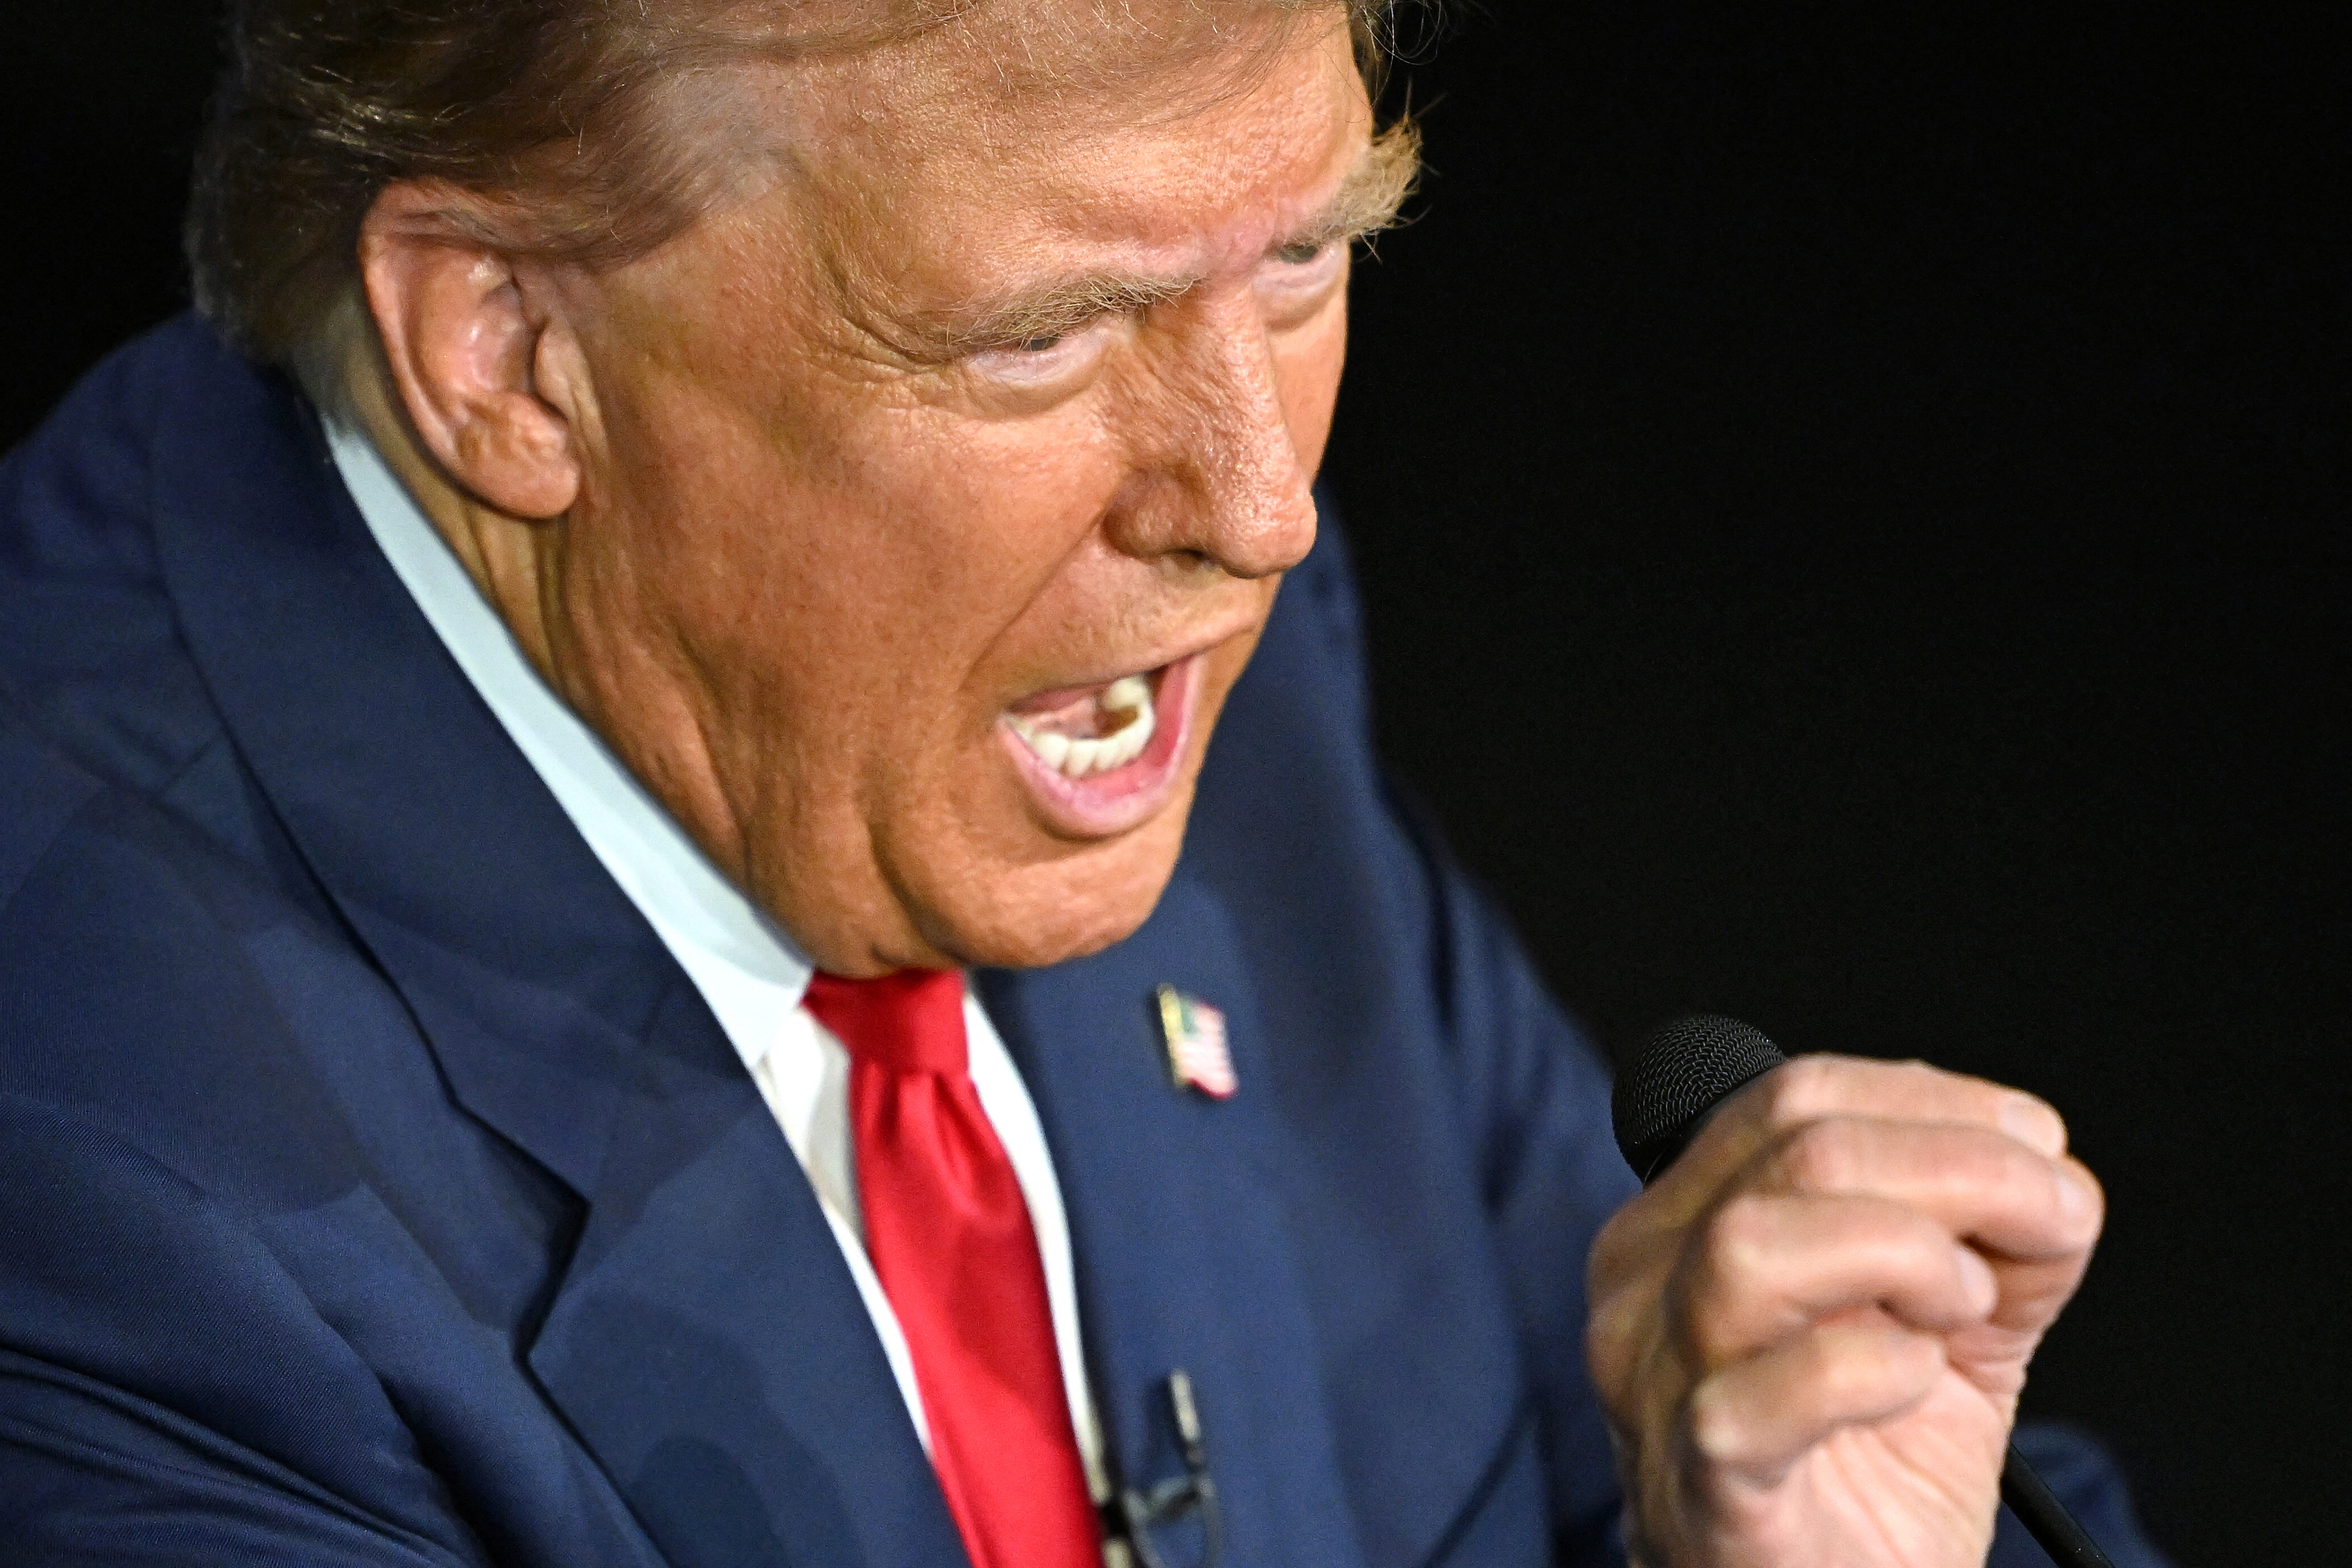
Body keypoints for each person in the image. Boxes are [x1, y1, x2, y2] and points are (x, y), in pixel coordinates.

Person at [0, 0, 2168, 1563]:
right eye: (1042, 333)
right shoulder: (108, 1199)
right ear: (508, 351)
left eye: (1306, 257)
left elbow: (1696, 1450)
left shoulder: (1132, 677)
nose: (1257, 508)